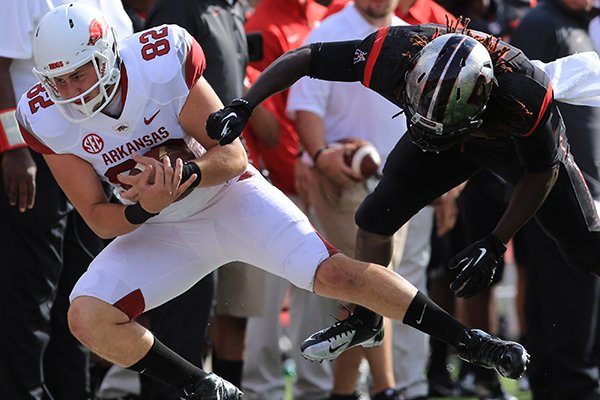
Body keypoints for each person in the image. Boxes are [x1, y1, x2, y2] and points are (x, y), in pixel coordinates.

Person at [19, 4, 528, 400]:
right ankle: (203, 386)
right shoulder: (45, 116)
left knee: (335, 274)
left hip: (227, 197)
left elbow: (233, 156)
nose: (69, 91)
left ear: (107, 54)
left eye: (79, 74)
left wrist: (183, 176)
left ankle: (471, 342)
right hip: (161, 227)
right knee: (85, 315)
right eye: (57, 80)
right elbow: (97, 218)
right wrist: (145, 207)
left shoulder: (157, 62)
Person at [207, 17, 600, 379]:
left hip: (507, 143)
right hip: (447, 138)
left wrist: (497, 242)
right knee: (374, 221)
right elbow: (306, 57)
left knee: (584, 247)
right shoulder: (396, 52)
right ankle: (366, 317)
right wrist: (245, 104)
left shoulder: (524, 94)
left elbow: (541, 171)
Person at [286, 1, 432, 399]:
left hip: (398, 185)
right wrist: (319, 156)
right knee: (370, 288)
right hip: (342, 184)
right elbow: (305, 106)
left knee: (365, 296)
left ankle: (344, 392)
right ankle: (385, 389)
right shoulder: (330, 31)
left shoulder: (415, 37)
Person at [0, 1, 129, 399]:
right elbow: (1, 65)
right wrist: (13, 148)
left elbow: (125, 49)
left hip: (92, 149)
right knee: (32, 290)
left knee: (81, 288)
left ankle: (74, 392)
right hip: (37, 151)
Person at [144, 0, 258, 394]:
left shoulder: (233, 10)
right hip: (182, 189)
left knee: (222, 311)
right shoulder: (180, 9)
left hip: (225, 180)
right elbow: (154, 102)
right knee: (178, 316)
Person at [510, 0, 600, 397]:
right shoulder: (541, 23)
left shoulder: (578, 25)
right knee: (568, 296)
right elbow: (518, 100)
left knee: (573, 296)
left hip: (583, 189)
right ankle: (570, 386)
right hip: (558, 191)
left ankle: (559, 383)